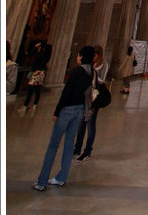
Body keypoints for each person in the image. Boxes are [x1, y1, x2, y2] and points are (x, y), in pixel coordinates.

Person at [32, 45, 95, 191]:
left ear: (82, 56)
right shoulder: (90, 72)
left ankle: (41, 182)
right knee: (69, 144)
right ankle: (61, 177)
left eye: (78, 55)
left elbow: (66, 93)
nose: (77, 57)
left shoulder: (76, 71)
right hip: (79, 110)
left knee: (53, 146)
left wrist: (56, 112)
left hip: (67, 110)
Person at [73, 45, 109, 162]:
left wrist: (92, 74)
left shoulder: (103, 65)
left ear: (98, 55)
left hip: (95, 97)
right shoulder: (88, 65)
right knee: (81, 123)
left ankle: (87, 151)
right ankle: (77, 149)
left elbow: (102, 80)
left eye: (94, 55)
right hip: (86, 96)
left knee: (91, 124)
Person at [20, 42, 48, 112]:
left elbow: (33, 52)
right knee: (36, 90)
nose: (38, 48)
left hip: (37, 74)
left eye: (39, 47)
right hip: (39, 74)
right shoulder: (42, 55)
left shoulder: (41, 55)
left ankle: (26, 106)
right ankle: (33, 105)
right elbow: (33, 52)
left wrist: (36, 46)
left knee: (32, 90)